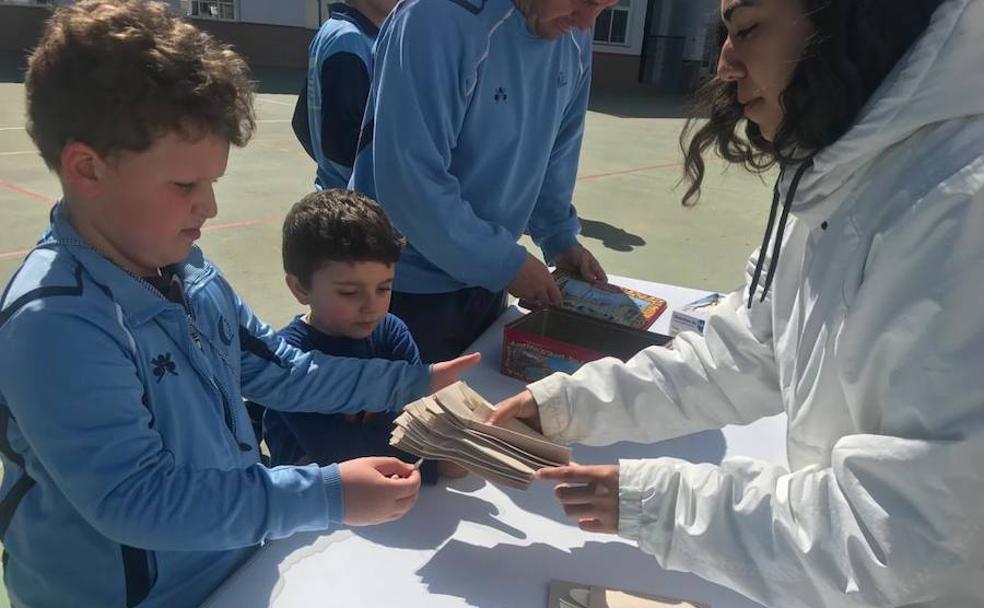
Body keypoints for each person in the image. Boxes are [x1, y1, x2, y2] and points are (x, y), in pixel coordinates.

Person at [491, 0, 984, 606]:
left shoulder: (959, 210)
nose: (724, 64)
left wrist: (660, 505)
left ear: (850, 22)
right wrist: (563, 404)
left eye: (747, 29)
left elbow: (904, 539)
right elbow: (747, 346)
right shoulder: (844, 169)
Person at [0, 3, 476, 606]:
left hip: (234, 562)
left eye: (213, 184)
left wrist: (411, 382)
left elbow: (281, 370)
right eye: (185, 186)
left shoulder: (189, 272)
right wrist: (327, 494)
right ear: (87, 169)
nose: (210, 208)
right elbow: (136, 498)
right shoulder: (56, 323)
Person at [349, 0, 613, 362]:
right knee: (401, 416)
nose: (586, 22)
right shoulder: (435, 17)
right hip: (393, 288)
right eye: (585, 0)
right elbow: (410, 186)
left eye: (606, 6)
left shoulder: (572, 35)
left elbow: (556, 153)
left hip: (484, 277)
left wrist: (560, 239)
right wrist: (504, 263)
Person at [260, 189, 466, 481]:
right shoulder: (288, 361)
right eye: (349, 292)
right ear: (300, 288)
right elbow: (335, 455)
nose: (372, 306)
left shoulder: (391, 332)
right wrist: (435, 462)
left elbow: (417, 417)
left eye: (384, 288)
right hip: (318, 513)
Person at [291, 0, 397, 189]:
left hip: (335, 192)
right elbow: (340, 142)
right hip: (356, 202)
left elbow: (301, 122)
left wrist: (328, 170)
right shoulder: (351, 40)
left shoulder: (331, 31)